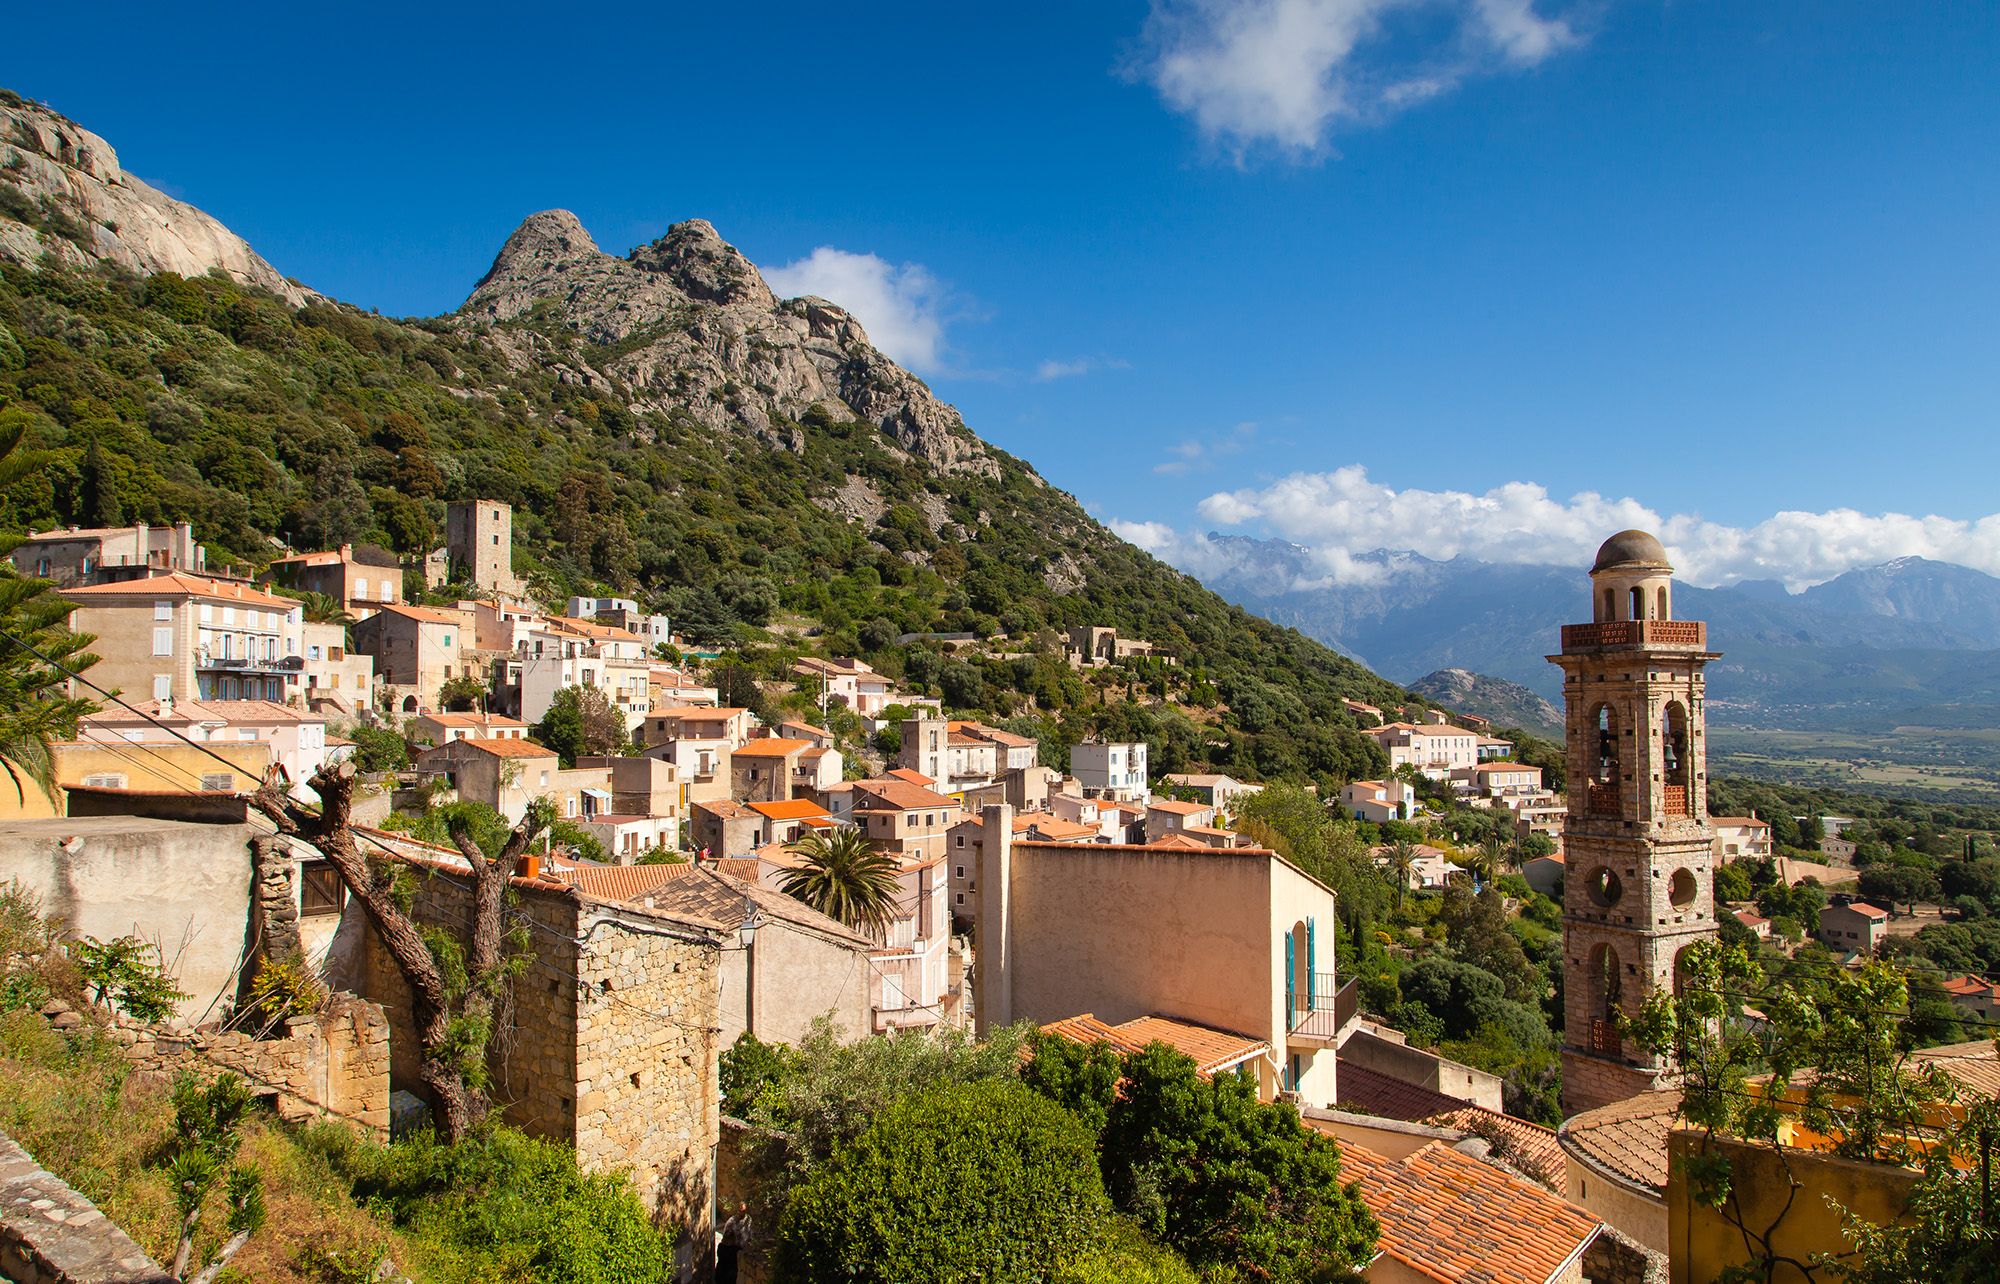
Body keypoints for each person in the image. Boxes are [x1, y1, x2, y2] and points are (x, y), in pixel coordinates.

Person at [717, 1200, 752, 1284]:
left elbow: (749, 1233)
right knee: (724, 1275)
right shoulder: (732, 1221)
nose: (741, 1212)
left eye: (743, 1211)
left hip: (738, 1249)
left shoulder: (748, 1220)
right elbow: (727, 1236)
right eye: (740, 1210)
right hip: (729, 1249)